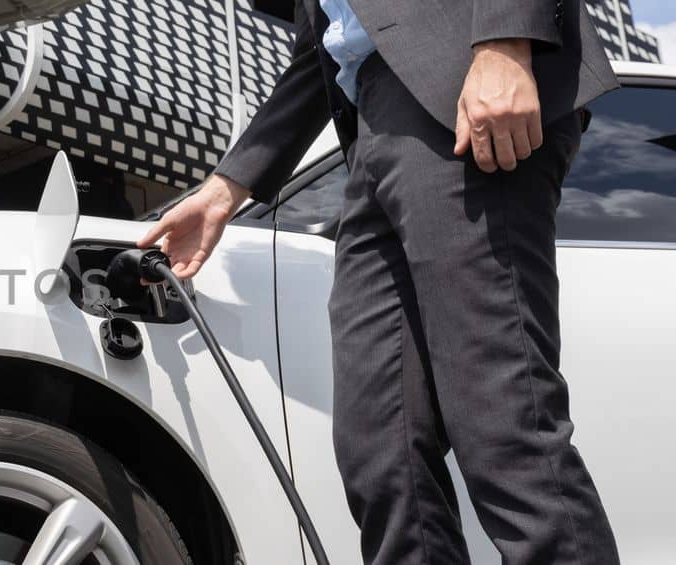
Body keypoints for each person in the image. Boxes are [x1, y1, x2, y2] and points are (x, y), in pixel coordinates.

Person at [139, 0, 621, 562]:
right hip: (370, 123)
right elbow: (319, 54)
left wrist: (504, 42)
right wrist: (225, 190)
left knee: (502, 427)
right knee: (381, 449)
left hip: (460, 93)